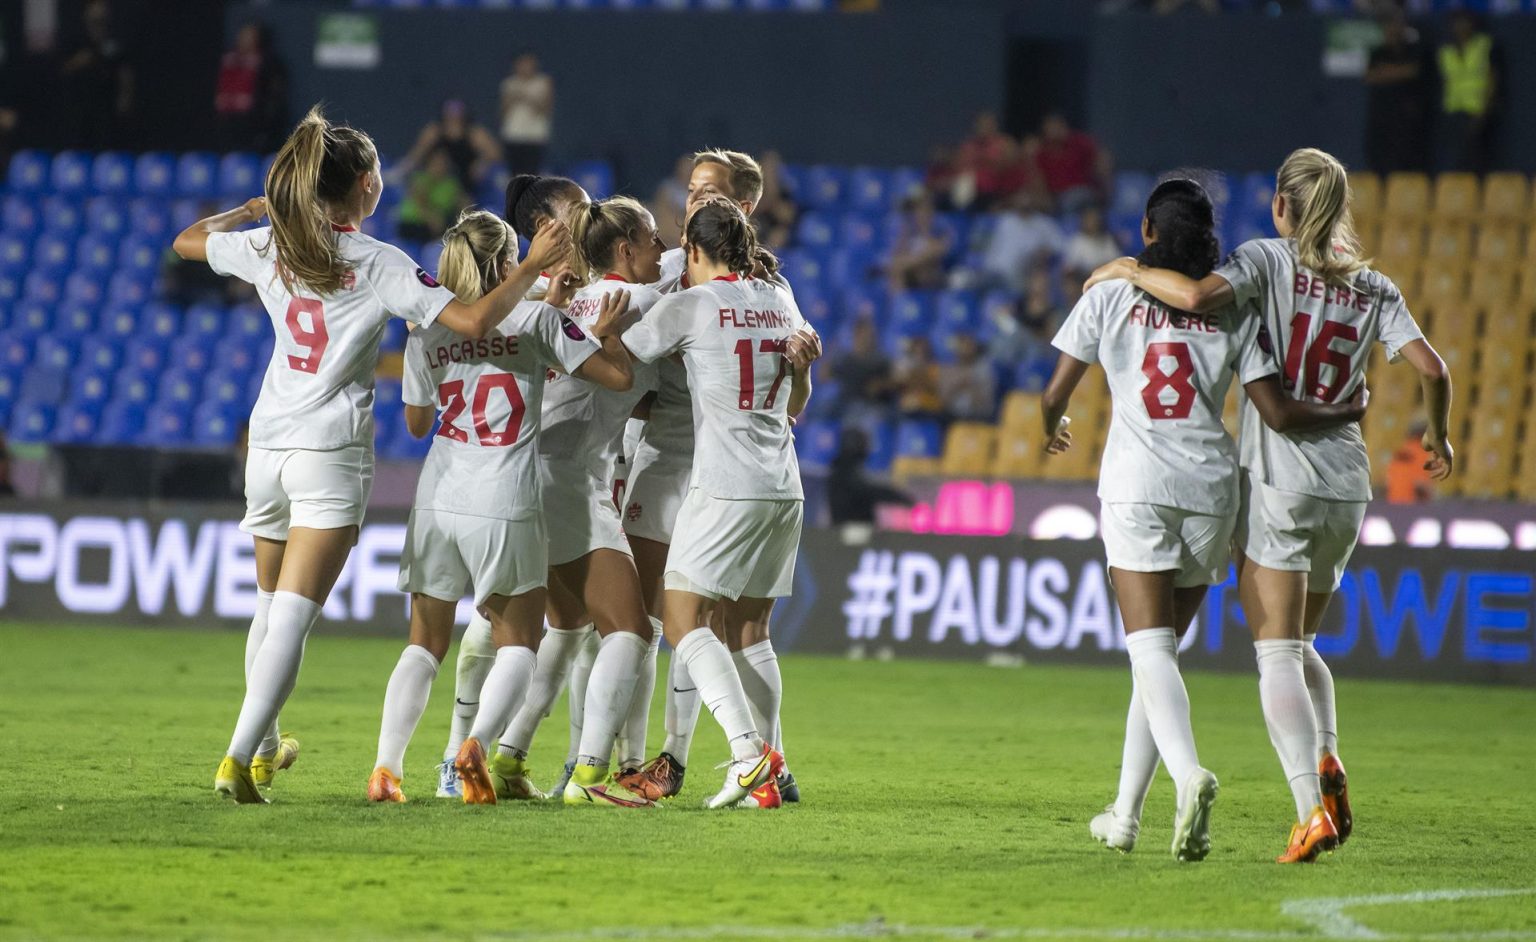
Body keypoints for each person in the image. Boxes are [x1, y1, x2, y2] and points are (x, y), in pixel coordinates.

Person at [172, 105, 572, 804]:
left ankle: (264, 750)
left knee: (267, 605)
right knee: (294, 612)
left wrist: (244, 213)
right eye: (381, 170)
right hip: (330, 449)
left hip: (266, 442)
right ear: (363, 184)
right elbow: (476, 320)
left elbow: (185, 242)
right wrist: (533, 265)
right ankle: (238, 756)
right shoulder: (380, 262)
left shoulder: (272, 246)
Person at [1087, 149, 1453, 862]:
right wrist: (1435, 431)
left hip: (1281, 480)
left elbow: (1193, 300)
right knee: (1303, 643)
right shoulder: (1373, 285)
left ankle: (1309, 808)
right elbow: (1433, 368)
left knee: (1276, 652)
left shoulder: (1264, 261)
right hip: (1349, 481)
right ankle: (1328, 754)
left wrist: (1129, 267)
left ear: (1283, 206)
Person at [1046, 177, 1370, 863]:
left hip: (1139, 486)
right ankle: (1125, 815)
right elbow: (1273, 406)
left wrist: (1055, 424)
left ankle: (1190, 774)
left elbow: (1055, 392)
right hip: (1213, 490)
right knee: (1159, 651)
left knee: (1148, 651)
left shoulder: (1110, 293)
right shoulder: (1236, 311)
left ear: (1146, 230)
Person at [367, 210, 632, 804]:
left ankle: (387, 768)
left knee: (423, 642)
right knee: (519, 642)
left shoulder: (428, 326)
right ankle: (476, 747)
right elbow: (615, 377)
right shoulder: (536, 318)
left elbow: (414, 424)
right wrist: (605, 332)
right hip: (505, 496)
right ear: (508, 261)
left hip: (438, 495)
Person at [619, 199, 812, 809]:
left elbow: (617, 353)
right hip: (784, 483)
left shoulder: (692, 304)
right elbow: (796, 401)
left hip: (726, 484)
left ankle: (750, 756)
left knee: (680, 618)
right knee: (750, 630)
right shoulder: (779, 300)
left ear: (693, 250)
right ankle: (765, 771)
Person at [486, 196, 666, 809]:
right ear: (624, 251)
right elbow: (698, 300)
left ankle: (507, 757)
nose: (663, 251)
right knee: (631, 629)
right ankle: (590, 778)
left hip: (524, 469)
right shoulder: (638, 301)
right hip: (571, 478)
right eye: (652, 241)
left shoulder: (553, 298)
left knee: (565, 628)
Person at [435, 172, 591, 799]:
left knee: (536, 622)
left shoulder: (536, 298)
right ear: (541, 231)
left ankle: (482, 757)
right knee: (555, 624)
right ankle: (510, 755)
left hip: (501, 479)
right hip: (530, 474)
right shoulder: (525, 303)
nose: (587, 221)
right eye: (575, 214)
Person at [1363, 10, 1431, 175]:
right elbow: (1370, 76)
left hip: (1407, 121)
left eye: (1396, 25)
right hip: (1382, 120)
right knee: (1378, 164)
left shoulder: (1414, 50)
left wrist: (1386, 72)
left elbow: (1412, 71)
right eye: (1388, 25)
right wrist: (1397, 72)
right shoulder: (1378, 52)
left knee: (1407, 166)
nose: (1392, 30)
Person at [1436, 11, 1502, 174]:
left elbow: (1493, 77)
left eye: (1465, 22)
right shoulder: (1446, 50)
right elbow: (1445, 80)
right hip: (1454, 110)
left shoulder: (1484, 45)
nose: (1461, 27)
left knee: (1478, 159)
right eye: (1457, 23)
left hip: (1478, 110)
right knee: (1456, 160)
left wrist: (1485, 108)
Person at [61, 0, 133, 149]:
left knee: (107, 145)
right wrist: (79, 62)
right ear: (86, 13)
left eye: (103, 7)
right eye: (95, 7)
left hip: (107, 105)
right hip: (81, 105)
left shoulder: (113, 38)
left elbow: (124, 71)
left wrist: (124, 98)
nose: (100, 11)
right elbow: (62, 69)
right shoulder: (76, 38)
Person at [396, 100, 501, 194]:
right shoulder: (433, 132)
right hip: (437, 181)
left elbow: (495, 154)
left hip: (466, 181)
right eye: (450, 116)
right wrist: (400, 171)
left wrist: (482, 163)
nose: (453, 119)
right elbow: (416, 155)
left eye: (456, 116)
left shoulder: (474, 134)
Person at [214, 22, 288, 153]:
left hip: (253, 125)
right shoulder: (228, 58)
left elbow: (273, 95)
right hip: (227, 123)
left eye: (250, 36)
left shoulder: (267, 62)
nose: (245, 40)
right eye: (243, 36)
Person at [973, 192, 1064, 295]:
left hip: (1019, 275)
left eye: (1028, 199)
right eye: (1021, 199)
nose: (1024, 202)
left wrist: (1044, 252)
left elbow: (1060, 246)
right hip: (992, 271)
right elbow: (980, 242)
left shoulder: (1043, 224)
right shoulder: (1005, 219)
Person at [826, 427, 912, 525]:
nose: (867, 449)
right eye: (864, 444)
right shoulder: (844, 471)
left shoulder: (841, 469)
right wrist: (901, 498)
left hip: (848, 526)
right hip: (850, 526)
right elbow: (869, 490)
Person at [1036, 113, 1109, 214]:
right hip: (1057, 198)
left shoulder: (1079, 143)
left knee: (1072, 199)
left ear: (1064, 127)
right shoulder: (1041, 153)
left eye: (1058, 126)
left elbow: (1102, 158)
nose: (1055, 131)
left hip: (1082, 192)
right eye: (1051, 127)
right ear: (1045, 130)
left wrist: (1103, 184)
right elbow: (1039, 180)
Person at [883, 191, 954, 294]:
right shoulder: (907, 234)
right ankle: (899, 305)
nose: (923, 214)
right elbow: (895, 259)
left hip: (930, 279)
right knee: (896, 272)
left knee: (915, 269)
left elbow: (936, 251)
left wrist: (908, 261)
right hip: (909, 277)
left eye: (927, 210)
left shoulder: (941, 233)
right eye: (919, 210)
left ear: (932, 213)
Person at [396, 150, 470, 243]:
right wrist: (431, 217)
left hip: (439, 226)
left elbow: (464, 202)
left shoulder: (450, 184)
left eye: (443, 163)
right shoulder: (420, 178)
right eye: (436, 163)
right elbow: (419, 199)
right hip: (411, 223)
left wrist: (463, 222)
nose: (440, 166)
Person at [499, 54, 554, 177]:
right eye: (521, 63)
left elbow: (546, 110)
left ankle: (530, 196)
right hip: (513, 136)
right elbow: (503, 112)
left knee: (532, 176)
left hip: (534, 137)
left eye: (528, 63)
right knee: (514, 175)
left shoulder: (543, 82)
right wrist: (513, 97)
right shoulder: (509, 84)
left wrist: (527, 97)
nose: (525, 67)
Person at [939, 334, 996, 423]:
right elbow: (943, 402)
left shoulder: (984, 369)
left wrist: (971, 386)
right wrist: (959, 385)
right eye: (962, 345)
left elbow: (986, 405)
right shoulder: (948, 368)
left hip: (978, 418)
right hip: (952, 417)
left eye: (968, 345)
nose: (965, 349)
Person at [1062, 205, 1122, 282]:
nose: (1092, 222)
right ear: (1083, 221)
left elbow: (1117, 261)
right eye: (1089, 219)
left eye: (1094, 219)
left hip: (1106, 278)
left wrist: (1100, 268)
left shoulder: (1106, 239)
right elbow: (1069, 268)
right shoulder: (1077, 241)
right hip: (1084, 280)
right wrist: (1087, 271)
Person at [1385, 422, 1435, 504]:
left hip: (1392, 505)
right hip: (1411, 507)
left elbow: (1387, 482)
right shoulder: (1422, 453)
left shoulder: (1401, 450)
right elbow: (1421, 486)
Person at [894, 336, 942, 419]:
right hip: (908, 405)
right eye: (917, 349)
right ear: (912, 351)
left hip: (930, 405)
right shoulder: (905, 367)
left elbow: (936, 387)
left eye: (923, 350)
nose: (920, 352)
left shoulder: (934, 367)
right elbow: (899, 385)